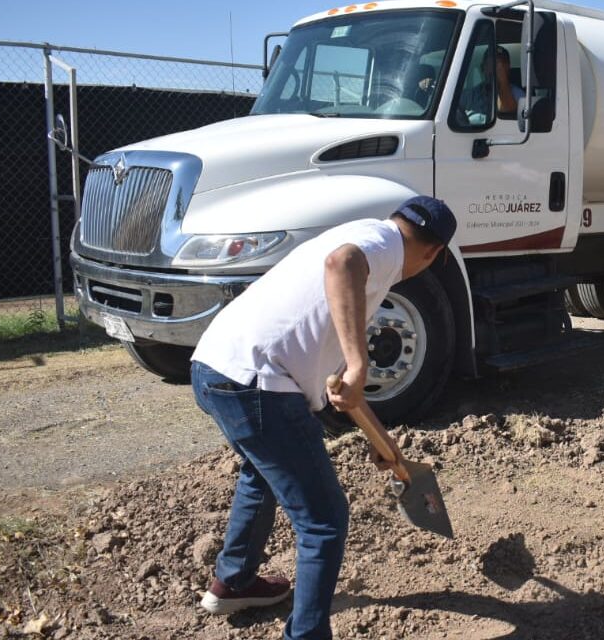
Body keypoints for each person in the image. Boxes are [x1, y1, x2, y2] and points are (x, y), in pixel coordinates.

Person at [190, 196, 457, 639]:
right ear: (433, 254)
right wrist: (359, 363)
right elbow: (342, 264)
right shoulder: (378, 247)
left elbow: (339, 386)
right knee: (324, 520)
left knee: (261, 472)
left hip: (215, 368)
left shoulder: (360, 235)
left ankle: (234, 582)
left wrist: (384, 445)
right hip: (257, 383)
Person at [461, 45, 523, 125]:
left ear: (508, 67)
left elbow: (508, 113)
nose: (495, 68)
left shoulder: (519, 96)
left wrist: (502, 81)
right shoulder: (468, 96)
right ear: (482, 67)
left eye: (500, 64)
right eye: (489, 64)